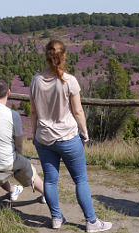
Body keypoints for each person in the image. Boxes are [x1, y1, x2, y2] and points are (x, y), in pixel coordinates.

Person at [30, 40, 112, 232]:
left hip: (43, 138)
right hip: (67, 137)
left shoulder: (36, 80)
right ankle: (91, 222)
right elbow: (78, 112)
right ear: (64, 56)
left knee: (50, 180)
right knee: (80, 180)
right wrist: (84, 132)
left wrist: (34, 134)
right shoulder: (69, 81)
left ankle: (56, 219)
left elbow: (33, 112)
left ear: (47, 57)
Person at [0, 77, 45, 203]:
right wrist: (20, 159)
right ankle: (46, 194)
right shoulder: (13, 115)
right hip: (4, 162)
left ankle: (13, 190)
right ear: (8, 93)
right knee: (25, 166)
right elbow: (18, 145)